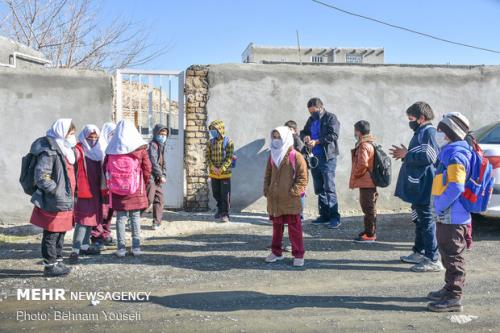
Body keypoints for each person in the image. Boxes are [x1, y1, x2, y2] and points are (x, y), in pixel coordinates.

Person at [426, 112, 473, 312]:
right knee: (447, 254)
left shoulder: (456, 154)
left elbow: (456, 186)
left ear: (448, 133)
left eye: (440, 130)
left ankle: (454, 297)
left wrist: (439, 206)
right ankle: (448, 289)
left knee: (454, 256)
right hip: (449, 215)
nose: (437, 133)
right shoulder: (450, 151)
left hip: (453, 216)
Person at [390, 101, 443, 272]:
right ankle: (419, 252)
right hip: (418, 186)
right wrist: (407, 155)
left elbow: (430, 156)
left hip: (425, 187)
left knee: (426, 220)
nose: (409, 122)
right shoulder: (421, 132)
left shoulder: (429, 132)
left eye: (411, 118)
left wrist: (407, 154)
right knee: (419, 220)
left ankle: (433, 259)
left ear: (421, 118)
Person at [29, 119, 77, 277]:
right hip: (55, 200)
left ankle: (57, 260)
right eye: (70, 134)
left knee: (61, 231)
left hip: (65, 199)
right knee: (52, 233)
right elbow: (41, 176)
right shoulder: (50, 151)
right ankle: (49, 266)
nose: (72, 137)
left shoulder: (64, 149)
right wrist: (56, 192)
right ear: (62, 133)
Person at [104, 120, 152, 257]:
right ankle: (136, 248)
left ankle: (121, 249)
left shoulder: (112, 149)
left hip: (117, 189)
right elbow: (147, 168)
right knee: (135, 217)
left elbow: (105, 168)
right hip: (136, 188)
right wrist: (144, 181)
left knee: (120, 218)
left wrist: (113, 182)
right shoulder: (140, 148)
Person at [264, 126, 308, 267]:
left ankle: (298, 254)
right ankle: (276, 252)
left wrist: (293, 192)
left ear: (286, 138)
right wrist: (267, 190)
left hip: (290, 200)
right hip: (275, 199)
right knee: (277, 228)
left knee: (294, 228)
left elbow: (303, 178)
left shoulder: (296, 156)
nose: (276, 140)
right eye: (274, 137)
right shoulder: (272, 154)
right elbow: (268, 175)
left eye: (279, 137)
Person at [300, 97, 341, 229]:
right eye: (310, 112)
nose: (312, 114)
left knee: (329, 187)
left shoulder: (331, 118)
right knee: (319, 188)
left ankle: (335, 217)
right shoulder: (311, 119)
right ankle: (324, 215)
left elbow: (334, 135)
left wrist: (317, 141)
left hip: (327, 157)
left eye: (314, 111)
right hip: (314, 157)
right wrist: (305, 137)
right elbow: (303, 132)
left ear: (320, 107)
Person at [69, 125, 103, 264]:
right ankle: (75, 250)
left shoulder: (99, 151)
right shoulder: (78, 150)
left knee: (91, 219)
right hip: (83, 191)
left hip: (95, 191)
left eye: (95, 137)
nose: (93, 140)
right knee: (82, 220)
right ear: (84, 137)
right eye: (90, 137)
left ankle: (84, 246)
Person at [349, 120, 378, 243]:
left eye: (355, 130)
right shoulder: (369, 143)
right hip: (369, 181)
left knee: (368, 208)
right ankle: (368, 231)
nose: (354, 133)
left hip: (366, 182)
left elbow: (362, 164)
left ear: (359, 132)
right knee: (370, 208)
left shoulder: (363, 145)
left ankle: (370, 235)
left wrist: (356, 174)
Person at [90, 122, 116, 248]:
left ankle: (105, 233)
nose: (114, 136)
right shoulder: (99, 146)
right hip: (100, 185)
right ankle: (96, 236)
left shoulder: (116, 147)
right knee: (100, 211)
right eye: (111, 134)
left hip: (112, 185)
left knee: (110, 210)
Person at [206, 120, 235, 223]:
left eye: (214, 129)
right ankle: (219, 209)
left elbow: (229, 158)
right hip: (214, 173)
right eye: (211, 129)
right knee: (216, 193)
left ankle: (225, 213)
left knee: (225, 194)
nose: (213, 131)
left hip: (225, 173)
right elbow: (207, 157)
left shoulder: (229, 142)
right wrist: (213, 167)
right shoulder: (210, 142)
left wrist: (221, 169)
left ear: (220, 129)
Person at [147, 124, 169, 230]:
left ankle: (156, 222)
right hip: (151, 177)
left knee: (159, 199)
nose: (163, 136)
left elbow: (163, 162)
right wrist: (160, 175)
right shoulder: (153, 145)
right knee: (148, 199)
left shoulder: (162, 146)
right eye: (160, 134)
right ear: (155, 134)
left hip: (158, 177)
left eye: (165, 134)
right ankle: (133, 218)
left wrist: (163, 174)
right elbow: (153, 161)